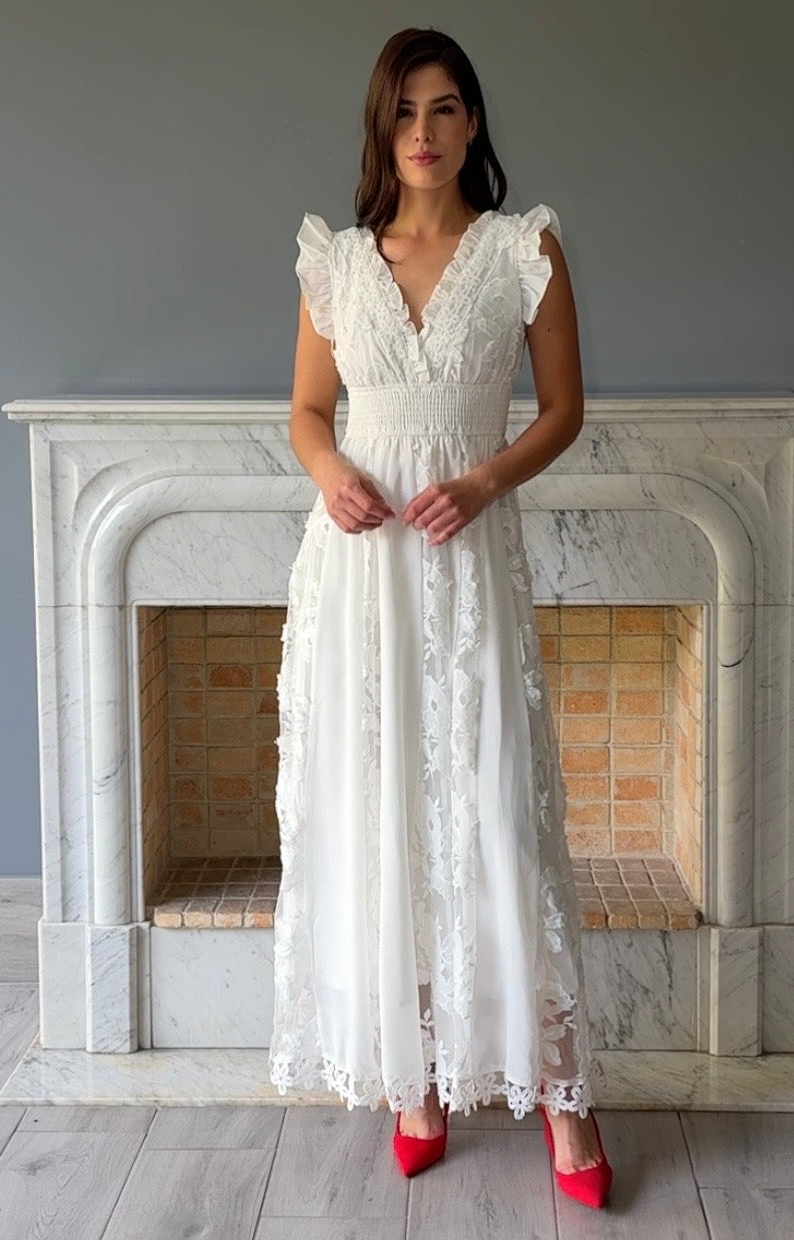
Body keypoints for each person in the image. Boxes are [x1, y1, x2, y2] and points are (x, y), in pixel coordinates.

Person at [269, 26, 612, 1208]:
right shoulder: (336, 263)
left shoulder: (524, 250)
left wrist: (481, 481)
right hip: (360, 573)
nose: (424, 131)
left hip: (466, 565)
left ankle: (564, 1093)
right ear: (383, 126)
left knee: (496, 814)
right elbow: (308, 413)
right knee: (382, 814)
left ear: (473, 124)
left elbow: (561, 410)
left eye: (446, 107)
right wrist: (330, 473)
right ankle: (414, 1082)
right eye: (405, 110)